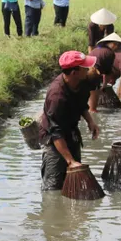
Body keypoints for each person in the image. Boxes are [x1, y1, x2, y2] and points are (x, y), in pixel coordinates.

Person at [38, 51, 100, 191]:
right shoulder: (57, 96)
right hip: (53, 140)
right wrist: (69, 160)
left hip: (71, 132)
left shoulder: (82, 82)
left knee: (74, 175)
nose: (89, 69)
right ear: (74, 72)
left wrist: (90, 121)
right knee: (53, 187)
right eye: (85, 67)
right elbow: (55, 132)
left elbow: (82, 105)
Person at [87, 33, 121, 112]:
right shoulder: (110, 53)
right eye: (117, 45)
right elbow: (107, 73)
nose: (117, 47)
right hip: (94, 74)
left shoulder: (96, 49)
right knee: (93, 110)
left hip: (85, 72)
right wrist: (104, 86)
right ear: (113, 44)